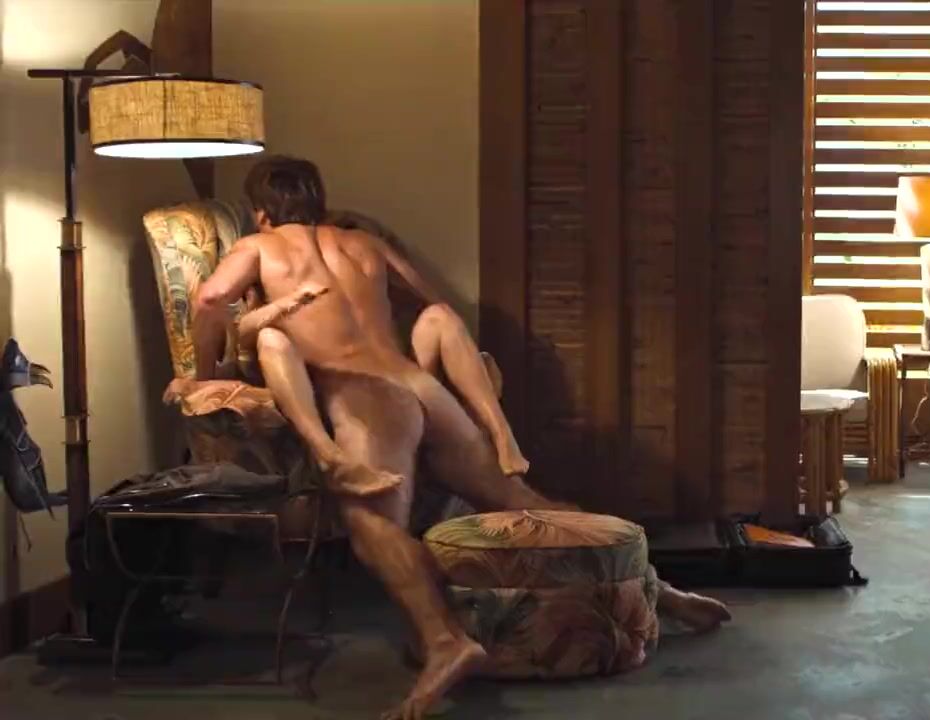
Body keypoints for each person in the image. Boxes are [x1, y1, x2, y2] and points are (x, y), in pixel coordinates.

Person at [190, 156, 729, 720]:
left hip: (367, 396)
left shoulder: (258, 247)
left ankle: (446, 641)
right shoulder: (363, 244)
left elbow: (208, 300)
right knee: (521, 501)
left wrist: (206, 373)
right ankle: (656, 589)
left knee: (373, 528)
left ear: (261, 212)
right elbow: (427, 298)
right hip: (422, 386)